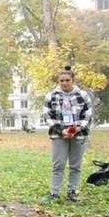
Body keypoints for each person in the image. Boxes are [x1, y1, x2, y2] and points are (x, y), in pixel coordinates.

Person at [41, 66, 92, 203]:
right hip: (59, 135)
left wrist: (77, 129)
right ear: (58, 81)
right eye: (61, 80)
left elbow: (87, 116)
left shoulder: (82, 95)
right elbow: (47, 116)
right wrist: (60, 130)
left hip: (78, 135)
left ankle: (72, 193)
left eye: (67, 80)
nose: (64, 83)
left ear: (72, 80)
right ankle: (54, 193)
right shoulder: (51, 96)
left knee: (76, 166)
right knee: (58, 165)